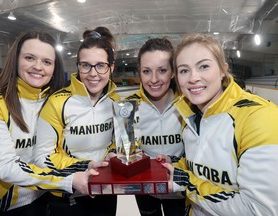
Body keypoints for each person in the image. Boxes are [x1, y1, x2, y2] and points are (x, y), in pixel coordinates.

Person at [0, 30, 107, 216]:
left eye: (46, 61)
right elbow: (5, 167)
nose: (38, 66)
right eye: (29, 58)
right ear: (15, 60)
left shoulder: (53, 101)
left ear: (54, 68)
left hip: (46, 201)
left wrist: (87, 165)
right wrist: (67, 181)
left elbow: (55, 155)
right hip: (6, 208)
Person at [160, 33, 278, 215]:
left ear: (223, 69)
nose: (193, 78)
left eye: (204, 66)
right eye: (184, 70)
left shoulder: (259, 117)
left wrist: (186, 183)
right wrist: (177, 164)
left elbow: (258, 209)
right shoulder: (187, 113)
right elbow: (203, 165)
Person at [34, 26, 120, 216]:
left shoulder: (116, 101)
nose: (93, 73)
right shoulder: (57, 102)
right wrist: (85, 166)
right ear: (78, 66)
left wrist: (113, 155)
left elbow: (116, 142)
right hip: (67, 196)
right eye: (85, 65)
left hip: (105, 191)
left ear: (111, 67)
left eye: (101, 65)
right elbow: (42, 158)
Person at [125, 37, 185, 216]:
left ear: (173, 72)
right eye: (146, 71)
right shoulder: (128, 107)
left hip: (180, 188)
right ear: (139, 73)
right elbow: (125, 151)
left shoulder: (189, 104)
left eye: (162, 70)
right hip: (145, 190)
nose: (154, 79)